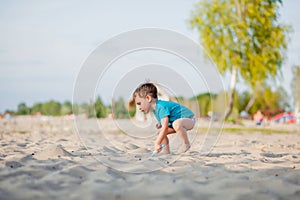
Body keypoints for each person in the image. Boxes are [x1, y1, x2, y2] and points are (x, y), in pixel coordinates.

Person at [133, 83, 195, 154]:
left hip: (189, 119)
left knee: (175, 124)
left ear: (148, 98)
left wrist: (157, 143)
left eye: (139, 103)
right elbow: (165, 122)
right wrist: (160, 124)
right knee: (161, 132)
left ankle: (186, 144)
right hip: (176, 123)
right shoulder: (155, 110)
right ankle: (166, 152)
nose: (139, 108)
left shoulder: (161, 107)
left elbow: (165, 127)